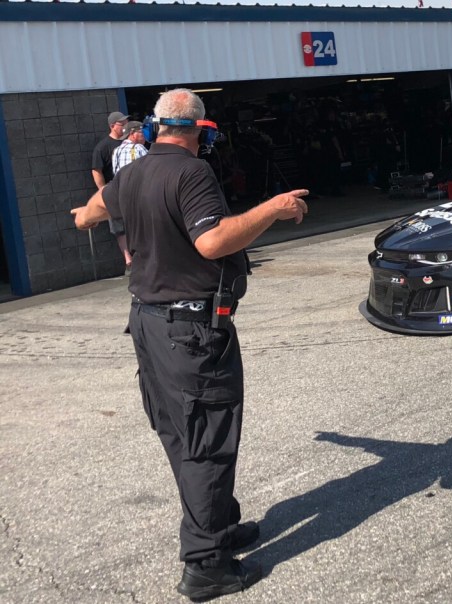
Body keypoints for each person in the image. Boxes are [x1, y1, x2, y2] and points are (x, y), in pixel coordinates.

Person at [70, 88, 309, 601]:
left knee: (182, 434)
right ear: (201, 130)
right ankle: (206, 566)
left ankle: (217, 526)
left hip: (149, 328)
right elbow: (213, 241)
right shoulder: (192, 172)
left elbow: (88, 214)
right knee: (206, 441)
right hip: (192, 332)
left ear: (156, 127)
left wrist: (101, 216)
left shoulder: (130, 173)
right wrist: (274, 207)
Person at [92, 111, 132, 273]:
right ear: (112, 126)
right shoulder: (103, 147)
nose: (124, 127)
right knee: (119, 227)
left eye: (125, 124)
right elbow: (96, 170)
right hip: (114, 191)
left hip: (131, 190)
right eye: (121, 124)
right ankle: (129, 261)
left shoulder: (130, 144)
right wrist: (103, 191)